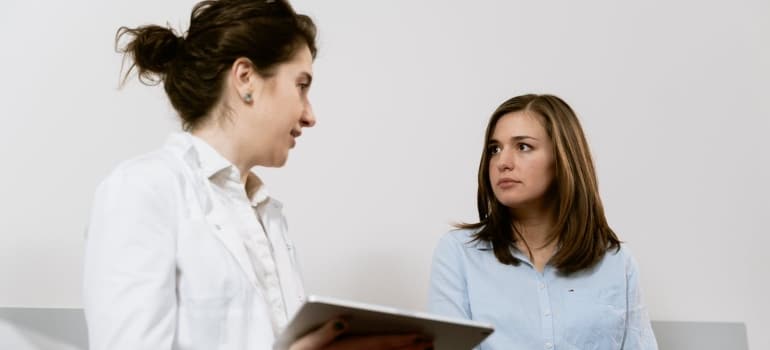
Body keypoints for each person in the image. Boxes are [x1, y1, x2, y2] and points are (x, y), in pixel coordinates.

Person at [83, 1, 433, 349]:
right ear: (246, 78)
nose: (310, 115)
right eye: (301, 85)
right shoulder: (142, 191)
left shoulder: (266, 216)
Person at [427, 94, 658, 349]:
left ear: (562, 159)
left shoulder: (616, 262)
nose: (503, 162)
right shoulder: (459, 254)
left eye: (523, 146)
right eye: (495, 149)